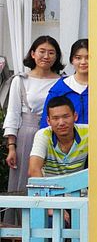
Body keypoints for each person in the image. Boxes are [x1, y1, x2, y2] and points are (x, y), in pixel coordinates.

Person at [3, 36, 62, 199]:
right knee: (24, 181)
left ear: (56, 57)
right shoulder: (20, 80)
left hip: (54, 134)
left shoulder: (62, 81)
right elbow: (13, 114)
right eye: (42, 51)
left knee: (51, 179)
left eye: (51, 53)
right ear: (33, 54)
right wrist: (12, 147)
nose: (46, 56)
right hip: (26, 136)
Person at [40, 39, 97, 128]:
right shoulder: (60, 89)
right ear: (72, 60)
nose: (83, 62)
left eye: (88, 57)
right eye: (78, 58)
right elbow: (46, 124)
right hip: (67, 140)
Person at [28, 96, 88, 178]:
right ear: (48, 121)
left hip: (79, 188)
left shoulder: (88, 132)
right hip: (49, 188)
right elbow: (34, 170)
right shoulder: (43, 135)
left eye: (66, 117)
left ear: (75, 117)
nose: (61, 123)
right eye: (55, 118)